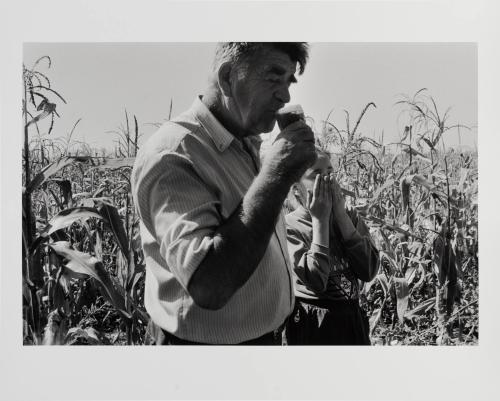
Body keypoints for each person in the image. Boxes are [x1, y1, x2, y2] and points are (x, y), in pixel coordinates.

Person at [131, 42, 316, 345]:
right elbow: (209, 285)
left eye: (288, 82)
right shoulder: (174, 153)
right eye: (273, 78)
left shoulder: (246, 145)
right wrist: (277, 175)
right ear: (228, 76)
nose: (285, 95)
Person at [284, 148, 379, 345]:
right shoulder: (290, 226)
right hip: (313, 320)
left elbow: (368, 270)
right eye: (316, 175)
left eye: (329, 173)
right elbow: (316, 281)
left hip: (351, 317)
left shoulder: (349, 216)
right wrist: (320, 220)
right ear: (296, 188)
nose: (327, 180)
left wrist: (342, 216)